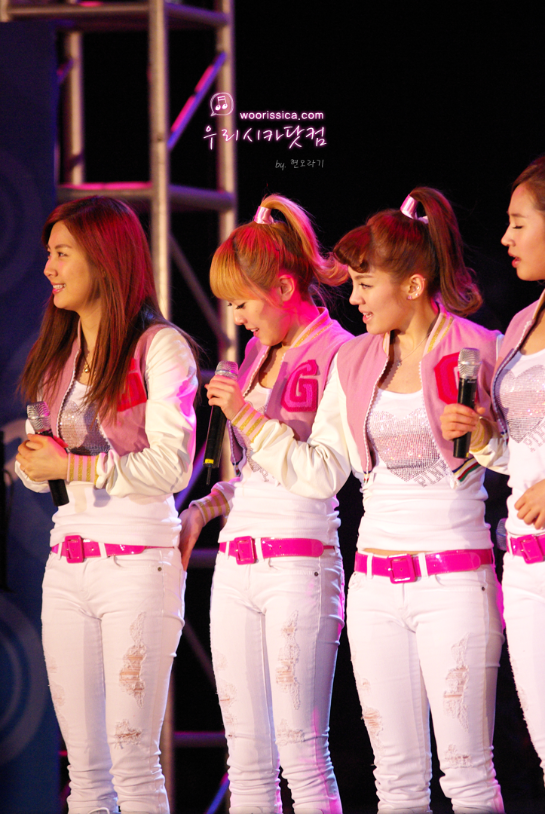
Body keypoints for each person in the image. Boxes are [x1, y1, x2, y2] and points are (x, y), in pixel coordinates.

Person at [209, 188, 505, 813]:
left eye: (367, 284)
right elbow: (315, 467)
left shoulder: (480, 347)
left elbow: (514, 452)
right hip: (374, 582)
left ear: (414, 285)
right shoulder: (355, 359)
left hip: (452, 576)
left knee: (468, 779)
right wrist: (214, 497)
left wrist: (487, 440)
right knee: (394, 781)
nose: (355, 295)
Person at [16, 196, 198, 814]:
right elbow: (42, 472)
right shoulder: (59, 355)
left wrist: (69, 465)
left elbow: (172, 466)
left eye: (62, 254)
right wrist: (36, 463)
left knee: (133, 763)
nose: (49, 268)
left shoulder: (159, 348)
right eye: (48, 254)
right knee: (87, 773)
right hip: (67, 565)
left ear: (105, 258)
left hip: (136, 563)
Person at [179, 194, 351, 814]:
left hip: (298, 564)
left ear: (282, 287)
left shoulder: (340, 352)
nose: (238, 318)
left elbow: (321, 474)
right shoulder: (258, 354)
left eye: (243, 303)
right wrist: (204, 509)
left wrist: (245, 413)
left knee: (302, 756)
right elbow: (258, 475)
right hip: (237, 564)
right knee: (248, 762)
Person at [441, 154, 545, 788]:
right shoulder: (521, 324)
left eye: (519, 223)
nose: (505, 238)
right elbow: (520, 453)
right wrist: (484, 439)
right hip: (526, 564)